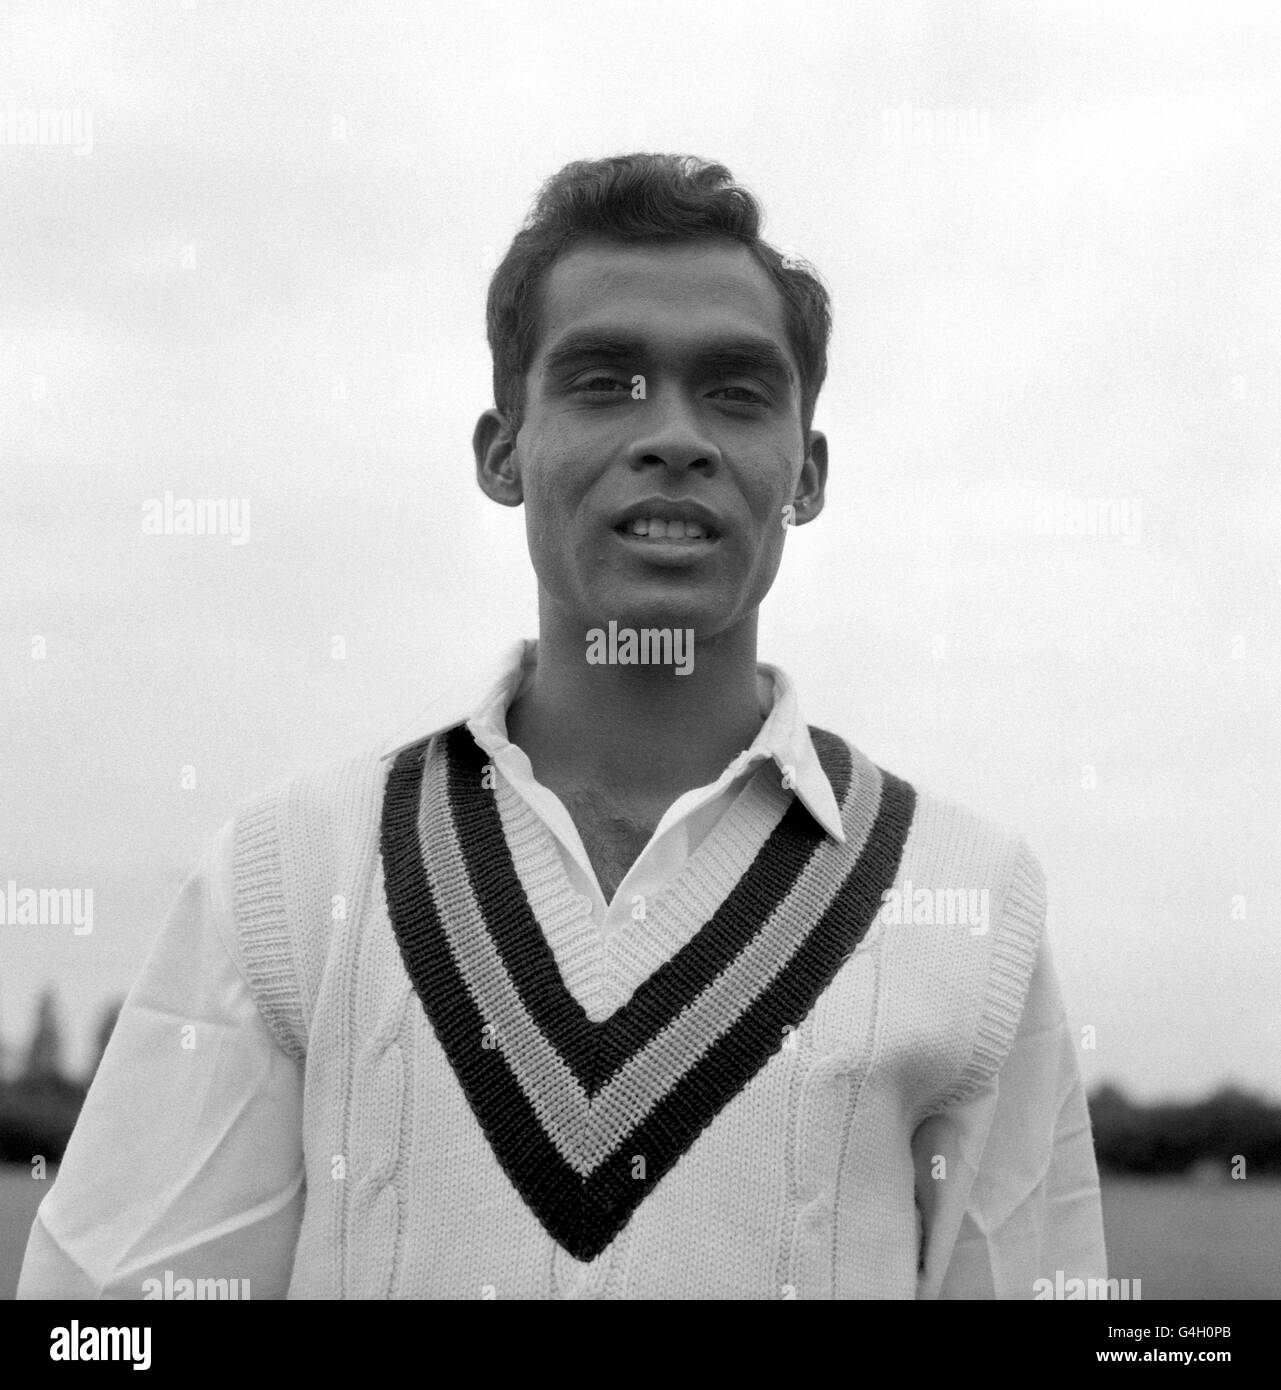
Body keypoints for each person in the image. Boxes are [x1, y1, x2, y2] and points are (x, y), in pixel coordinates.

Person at [18, 153, 1106, 1299]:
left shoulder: (967, 890)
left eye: (737, 391)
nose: (676, 436)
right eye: (604, 382)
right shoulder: (293, 869)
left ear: (808, 472)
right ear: (502, 453)